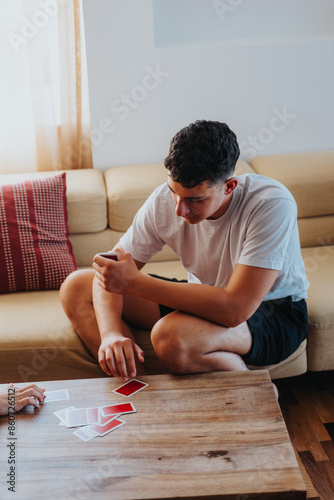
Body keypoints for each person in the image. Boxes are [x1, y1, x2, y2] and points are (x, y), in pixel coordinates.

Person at [60, 120, 309, 396]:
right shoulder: (166, 201)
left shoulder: (270, 204)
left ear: (229, 186)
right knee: (77, 286)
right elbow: (110, 269)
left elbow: (235, 309)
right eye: (173, 191)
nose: (180, 209)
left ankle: (257, 395)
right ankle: (144, 394)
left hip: (273, 312)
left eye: (195, 199)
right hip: (203, 299)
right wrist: (111, 334)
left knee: (170, 337)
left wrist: (135, 283)